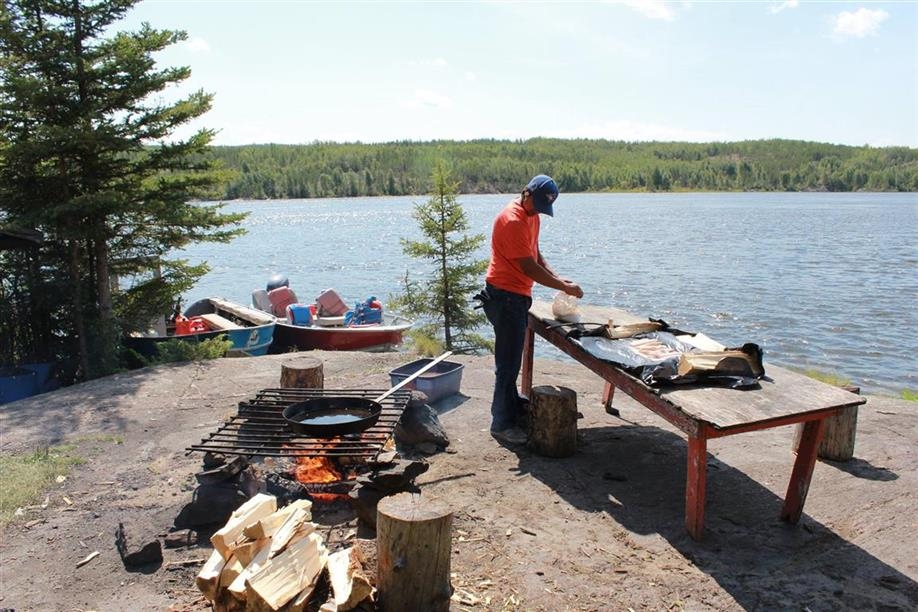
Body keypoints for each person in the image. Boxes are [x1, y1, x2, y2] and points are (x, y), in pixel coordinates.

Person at [480, 174, 583, 445]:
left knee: (511, 360)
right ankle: (500, 424)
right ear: (526, 193)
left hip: (516, 297)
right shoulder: (512, 219)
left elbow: (536, 255)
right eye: (536, 204)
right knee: (508, 364)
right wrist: (563, 287)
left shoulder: (531, 215)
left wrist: (561, 280)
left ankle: (512, 411)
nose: (538, 210)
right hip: (505, 297)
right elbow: (528, 267)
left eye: (542, 207)